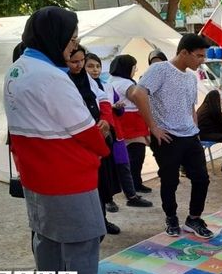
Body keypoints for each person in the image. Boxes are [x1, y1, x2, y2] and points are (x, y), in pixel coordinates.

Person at [3, 6, 130, 274]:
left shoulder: (17, 68)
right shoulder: (52, 78)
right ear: (54, 37)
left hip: (36, 173)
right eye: (71, 39)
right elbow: (85, 131)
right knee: (82, 243)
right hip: (67, 176)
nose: (74, 46)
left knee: (46, 236)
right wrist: (102, 143)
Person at [129, 34, 214, 239]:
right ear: (184, 52)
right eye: (199, 56)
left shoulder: (191, 77)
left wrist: (194, 127)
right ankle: (171, 217)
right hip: (167, 137)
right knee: (170, 181)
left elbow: (191, 107)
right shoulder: (160, 69)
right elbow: (138, 94)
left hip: (190, 136)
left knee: (201, 179)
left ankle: (194, 218)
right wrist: (153, 127)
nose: (202, 61)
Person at [85, 53, 153, 210]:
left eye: (97, 66)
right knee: (105, 168)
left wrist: (118, 108)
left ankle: (131, 195)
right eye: (90, 66)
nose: (95, 70)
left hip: (115, 132)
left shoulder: (108, 86)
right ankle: (108, 200)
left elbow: (116, 107)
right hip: (97, 134)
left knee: (123, 164)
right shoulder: (82, 88)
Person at [67, 45, 122, 235]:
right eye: (74, 61)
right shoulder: (61, 79)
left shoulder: (87, 78)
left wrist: (106, 119)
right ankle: (89, 225)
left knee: (100, 183)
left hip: (99, 137)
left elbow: (102, 98)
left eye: (81, 61)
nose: (79, 65)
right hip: (80, 140)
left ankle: (101, 221)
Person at [108, 55, 156, 201]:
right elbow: (138, 97)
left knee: (130, 157)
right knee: (137, 155)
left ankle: (134, 183)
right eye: (134, 67)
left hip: (124, 122)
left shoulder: (112, 81)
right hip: (131, 123)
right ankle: (134, 184)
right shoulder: (126, 84)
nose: (135, 70)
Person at [196, 90, 222, 173]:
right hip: (205, 134)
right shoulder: (212, 109)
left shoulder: (206, 107)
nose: (221, 101)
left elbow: (220, 123)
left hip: (205, 133)